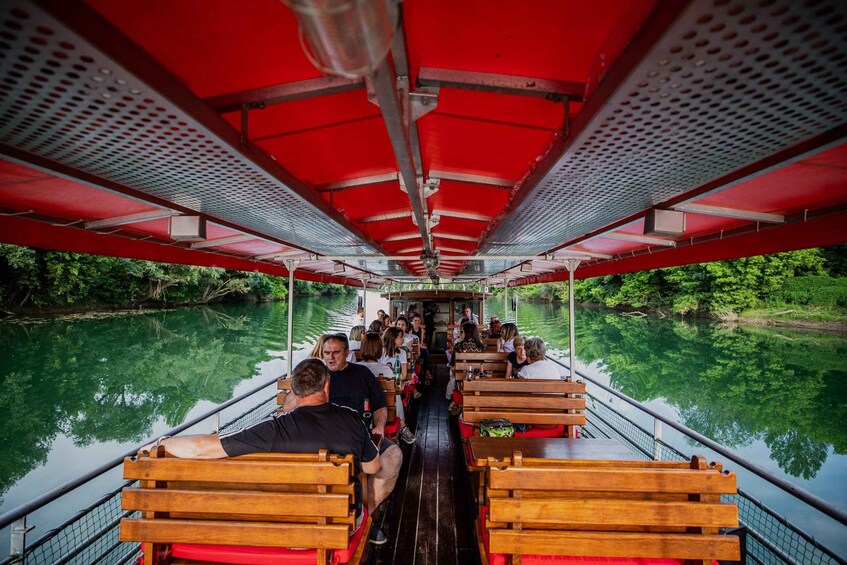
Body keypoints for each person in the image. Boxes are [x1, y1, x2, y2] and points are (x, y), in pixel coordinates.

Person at [138, 359, 380, 532]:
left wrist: (162, 443)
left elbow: (202, 448)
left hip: (280, 524)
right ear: (327, 385)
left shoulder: (273, 429)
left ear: (294, 390)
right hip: (337, 526)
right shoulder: (351, 420)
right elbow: (371, 467)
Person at [307, 333, 403, 544]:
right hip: (321, 439)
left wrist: (379, 426)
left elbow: (379, 405)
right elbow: (292, 405)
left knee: (394, 455)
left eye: (336, 353)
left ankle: (365, 515)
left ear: (347, 353)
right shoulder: (316, 377)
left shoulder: (362, 374)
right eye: (326, 353)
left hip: (361, 436)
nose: (330, 358)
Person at [359, 332, 416, 444]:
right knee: (396, 394)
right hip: (384, 412)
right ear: (379, 349)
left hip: (360, 411)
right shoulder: (385, 370)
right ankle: (402, 426)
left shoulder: (356, 369)